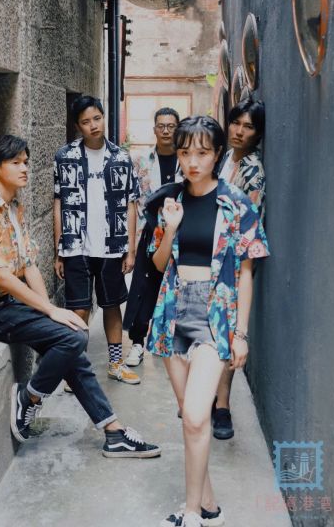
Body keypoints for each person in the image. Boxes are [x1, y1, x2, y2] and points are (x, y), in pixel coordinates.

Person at [0, 134, 160, 459]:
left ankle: (113, 431)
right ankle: (29, 398)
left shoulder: (14, 207)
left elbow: (29, 265)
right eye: (16, 163)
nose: (25, 168)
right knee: (74, 337)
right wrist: (51, 311)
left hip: (9, 304)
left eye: (26, 162)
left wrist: (51, 311)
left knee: (72, 337)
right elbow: (2, 276)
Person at [146, 116, 269, 527]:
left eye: (201, 152)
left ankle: (192, 513)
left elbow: (246, 273)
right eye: (185, 153)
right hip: (173, 311)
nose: (192, 162)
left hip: (215, 315)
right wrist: (171, 228)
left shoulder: (237, 204)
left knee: (199, 416)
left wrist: (241, 334)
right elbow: (158, 264)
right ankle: (211, 506)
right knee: (190, 417)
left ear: (218, 154)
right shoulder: (171, 200)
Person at [54, 95, 141, 385]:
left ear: (103, 118)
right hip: (76, 246)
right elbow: (59, 202)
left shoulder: (121, 158)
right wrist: (59, 250)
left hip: (111, 246)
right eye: (85, 121)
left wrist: (130, 249)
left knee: (112, 306)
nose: (93, 125)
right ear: (77, 126)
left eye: (97, 118)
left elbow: (131, 204)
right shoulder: (65, 156)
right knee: (78, 309)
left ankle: (116, 364)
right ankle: (74, 370)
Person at [213, 97, 266, 440]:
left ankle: (223, 406)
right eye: (236, 123)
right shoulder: (222, 157)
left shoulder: (253, 171)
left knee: (228, 334)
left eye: (248, 127)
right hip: (207, 257)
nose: (239, 131)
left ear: (257, 134)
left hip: (233, 262)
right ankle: (208, 395)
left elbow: (250, 225)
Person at [124, 107, 183, 367]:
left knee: (174, 287)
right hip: (149, 234)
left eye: (171, 126)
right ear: (154, 129)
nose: (166, 130)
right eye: (162, 126)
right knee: (142, 289)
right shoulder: (140, 161)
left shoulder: (185, 160)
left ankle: (171, 343)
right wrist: (131, 248)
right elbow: (132, 203)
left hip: (178, 235)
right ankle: (137, 343)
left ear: (178, 128)